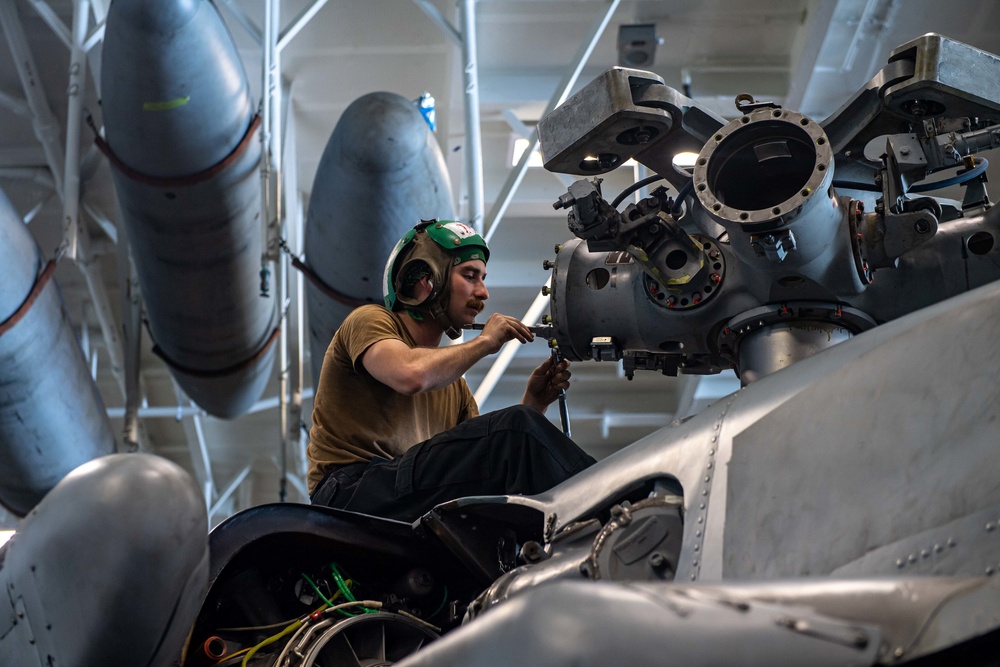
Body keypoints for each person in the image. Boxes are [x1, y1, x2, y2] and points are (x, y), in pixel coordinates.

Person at [307, 219, 596, 522]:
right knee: (515, 427)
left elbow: (482, 461)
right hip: (349, 495)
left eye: (483, 278)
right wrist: (485, 342)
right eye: (470, 276)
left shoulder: (452, 384)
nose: (483, 292)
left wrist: (534, 404)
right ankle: (611, 503)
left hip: (403, 500)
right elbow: (409, 375)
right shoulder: (370, 320)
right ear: (425, 279)